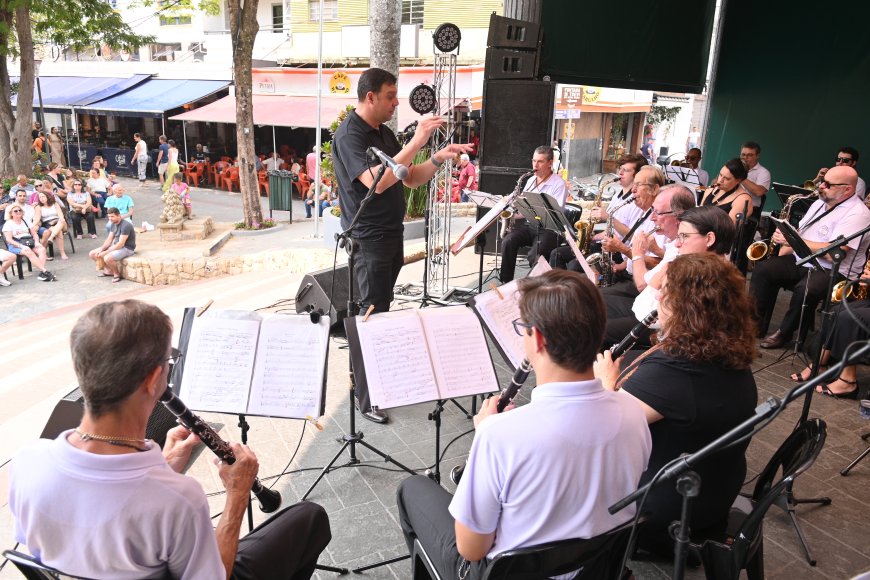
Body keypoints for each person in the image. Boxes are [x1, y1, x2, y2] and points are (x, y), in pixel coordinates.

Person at [8, 299, 332, 579]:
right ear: (152, 380)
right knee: (309, 518)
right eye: (168, 362)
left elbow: (91, 521)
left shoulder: (28, 462)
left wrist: (162, 469)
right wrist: (237, 494)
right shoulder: (179, 501)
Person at [397, 270, 651, 580]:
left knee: (411, 489)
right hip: (591, 569)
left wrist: (482, 439)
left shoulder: (500, 435)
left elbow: (471, 548)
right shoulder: (633, 413)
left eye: (524, 329)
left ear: (539, 339)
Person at [594, 254, 758, 557]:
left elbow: (603, 428)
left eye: (666, 291)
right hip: (712, 491)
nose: (657, 294)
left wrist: (605, 382)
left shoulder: (676, 370)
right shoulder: (724, 346)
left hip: (665, 512)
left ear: (688, 307)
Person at [332, 67, 471, 424]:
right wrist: (418, 141)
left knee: (381, 309)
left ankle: (377, 377)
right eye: (391, 96)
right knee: (368, 313)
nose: (397, 103)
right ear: (370, 97)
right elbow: (375, 183)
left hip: (389, 234)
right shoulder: (351, 135)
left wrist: (438, 158)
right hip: (369, 238)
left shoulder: (383, 133)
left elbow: (408, 179)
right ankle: (365, 396)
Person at [753, 165, 870, 349]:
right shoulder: (818, 203)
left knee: (806, 288)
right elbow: (802, 233)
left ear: (847, 189)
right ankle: (754, 325)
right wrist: (785, 240)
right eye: (823, 181)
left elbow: (834, 253)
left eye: (828, 184)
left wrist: (794, 240)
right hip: (805, 259)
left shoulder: (858, 213)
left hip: (835, 270)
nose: (821, 186)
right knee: (764, 269)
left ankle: (785, 333)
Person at [605, 203, 735, 348]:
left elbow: (644, 312)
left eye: (684, 236)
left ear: (709, 239)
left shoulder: (697, 274)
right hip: (683, 344)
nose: (678, 244)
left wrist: (659, 274)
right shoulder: (718, 268)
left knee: (598, 331)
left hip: (679, 347)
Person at [600, 184, 695, 345]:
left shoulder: (685, 245)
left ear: (679, 216)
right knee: (595, 299)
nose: (652, 218)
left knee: (599, 329)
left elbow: (644, 286)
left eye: (658, 213)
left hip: (657, 319)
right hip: (644, 305)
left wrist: (636, 254)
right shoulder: (674, 241)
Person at [498, 145, 569, 283]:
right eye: (533, 161)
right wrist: (513, 212)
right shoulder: (530, 180)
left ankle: (535, 288)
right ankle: (505, 283)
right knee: (508, 241)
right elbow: (525, 209)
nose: (535, 165)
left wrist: (529, 208)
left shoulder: (558, 184)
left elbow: (555, 213)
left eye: (540, 161)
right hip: (531, 224)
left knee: (534, 255)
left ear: (550, 163)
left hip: (550, 229)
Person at [2, 204, 54, 281]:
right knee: (28, 251)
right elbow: (9, 240)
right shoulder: (8, 224)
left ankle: (42, 272)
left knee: (42, 249)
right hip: (16, 244)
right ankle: (44, 271)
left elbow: (34, 234)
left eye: (20, 210)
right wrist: (21, 246)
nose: (18, 212)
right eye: (15, 211)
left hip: (29, 241)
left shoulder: (25, 221)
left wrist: (36, 242)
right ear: (11, 213)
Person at [700, 158, 753, 224]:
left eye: (727, 178)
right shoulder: (711, 189)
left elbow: (729, 229)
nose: (720, 180)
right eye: (720, 175)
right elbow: (699, 213)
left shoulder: (743, 199)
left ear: (739, 180)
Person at [91, 207, 136, 283]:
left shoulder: (126, 225)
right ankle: (108, 271)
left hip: (127, 248)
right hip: (116, 246)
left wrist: (107, 252)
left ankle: (116, 274)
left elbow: (121, 244)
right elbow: (109, 240)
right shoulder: (113, 224)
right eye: (109, 216)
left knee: (107, 258)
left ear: (118, 215)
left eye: (112, 216)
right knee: (92, 254)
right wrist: (102, 249)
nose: (110, 218)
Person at [34, 190, 69, 260]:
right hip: (48, 224)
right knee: (59, 232)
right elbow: (36, 219)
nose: (42, 198)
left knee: (61, 221)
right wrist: (31, 226)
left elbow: (61, 216)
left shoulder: (55, 204)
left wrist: (59, 220)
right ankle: (62, 253)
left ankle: (51, 237)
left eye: (43, 196)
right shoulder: (38, 207)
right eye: (40, 197)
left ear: (47, 196)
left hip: (60, 222)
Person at [739, 141, 772, 212]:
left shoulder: (763, 172)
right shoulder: (734, 166)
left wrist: (740, 175)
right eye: (743, 155)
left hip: (749, 208)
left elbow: (759, 192)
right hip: (729, 202)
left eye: (749, 155)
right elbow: (715, 183)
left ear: (757, 156)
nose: (745, 157)